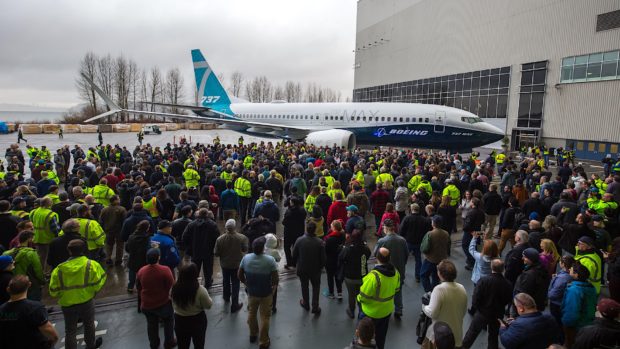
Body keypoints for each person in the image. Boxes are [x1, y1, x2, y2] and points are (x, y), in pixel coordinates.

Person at [49, 239, 106, 349]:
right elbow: (99, 282)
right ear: (84, 250)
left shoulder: (58, 270)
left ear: (69, 251)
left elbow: (53, 291)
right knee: (89, 325)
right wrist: (92, 292)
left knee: (70, 330)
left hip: (67, 303)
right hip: (86, 301)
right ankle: (90, 346)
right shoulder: (91, 265)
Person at [238, 237, 279, 349]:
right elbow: (275, 279)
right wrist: (273, 289)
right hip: (266, 293)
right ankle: (263, 341)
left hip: (252, 292)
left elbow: (240, 275)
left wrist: (247, 283)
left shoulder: (246, 258)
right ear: (262, 248)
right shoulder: (270, 260)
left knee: (252, 313)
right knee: (265, 317)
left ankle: (252, 334)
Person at [462, 260, 512, 349]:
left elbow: (476, 297)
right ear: (503, 269)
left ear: (491, 267)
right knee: (493, 336)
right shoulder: (508, 284)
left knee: (472, 333)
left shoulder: (483, 281)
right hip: (497, 314)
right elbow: (508, 299)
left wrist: (477, 308)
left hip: (482, 313)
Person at [357, 247, 401, 349]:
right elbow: (397, 289)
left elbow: (363, 296)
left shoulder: (373, 277)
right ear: (389, 258)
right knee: (381, 337)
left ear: (377, 257)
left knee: (364, 338)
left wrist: (358, 299)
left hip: (370, 313)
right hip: (386, 312)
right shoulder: (396, 273)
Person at [0, 275, 59, 348]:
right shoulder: (35, 307)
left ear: (8, 289)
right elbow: (52, 334)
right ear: (29, 285)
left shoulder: (1, 309)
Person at [422, 260, 468, 349]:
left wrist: (424, 306)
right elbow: (463, 311)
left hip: (440, 337)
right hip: (457, 335)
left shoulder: (439, 289)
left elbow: (432, 313)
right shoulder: (462, 288)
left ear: (440, 274)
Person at [171, 263, 213, 349]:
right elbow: (208, 305)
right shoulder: (200, 290)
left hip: (180, 320)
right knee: (199, 345)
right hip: (197, 321)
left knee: (182, 345)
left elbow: (173, 303)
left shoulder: (174, 288)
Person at [373, 219, 408, 318]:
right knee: (398, 291)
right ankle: (398, 309)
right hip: (399, 271)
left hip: (385, 272)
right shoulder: (402, 240)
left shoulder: (382, 241)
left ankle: (385, 310)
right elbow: (406, 254)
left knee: (384, 291)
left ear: (386, 228)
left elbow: (376, 254)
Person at [213, 218, 248, 312]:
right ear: (235, 226)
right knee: (236, 283)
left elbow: (216, 253)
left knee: (226, 281)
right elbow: (245, 249)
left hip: (225, 264)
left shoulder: (219, 239)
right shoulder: (242, 238)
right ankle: (235, 304)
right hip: (237, 264)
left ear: (226, 227)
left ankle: (226, 296)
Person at [292, 220, 326, 314]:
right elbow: (323, 259)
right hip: (315, 269)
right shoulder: (320, 242)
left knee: (304, 285)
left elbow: (294, 255)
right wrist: (320, 267)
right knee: (316, 287)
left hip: (302, 269)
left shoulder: (299, 240)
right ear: (315, 230)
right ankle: (315, 306)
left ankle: (305, 303)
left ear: (306, 229)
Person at [561, 261, 597, 348]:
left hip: (575, 325)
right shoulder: (591, 287)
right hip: (587, 322)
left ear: (576, 275)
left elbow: (572, 311)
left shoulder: (574, 290)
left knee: (570, 343)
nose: (569, 270)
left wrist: (566, 325)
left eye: (572, 270)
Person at [182, 208, 220, 287]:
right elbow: (217, 238)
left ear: (198, 214)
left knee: (195, 269)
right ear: (207, 214)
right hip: (208, 251)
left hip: (195, 251)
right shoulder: (212, 224)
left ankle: (194, 284)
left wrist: (190, 247)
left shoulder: (191, 224)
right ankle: (208, 283)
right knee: (208, 269)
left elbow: (184, 237)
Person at [2, 231, 44, 301]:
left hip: (12, 284)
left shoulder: (6, 253)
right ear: (29, 239)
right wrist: (42, 281)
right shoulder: (31, 253)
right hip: (29, 284)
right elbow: (38, 270)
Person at [339, 229, 371, 319]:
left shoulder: (348, 248)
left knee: (351, 295)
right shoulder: (365, 248)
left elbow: (341, 257)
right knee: (360, 294)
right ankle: (361, 311)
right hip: (362, 275)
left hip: (349, 276)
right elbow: (369, 254)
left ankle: (351, 311)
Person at [399, 203, 431, 283]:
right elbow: (428, 231)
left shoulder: (407, 218)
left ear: (411, 209)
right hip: (419, 243)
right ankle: (418, 276)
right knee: (418, 259)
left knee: (404, 259)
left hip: (408, 242)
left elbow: (401, 230)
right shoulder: (424, 219)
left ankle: (401, 276)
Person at [514, 247, 551, 314]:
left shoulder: (529, 275)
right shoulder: (543, 270)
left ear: (531, 259)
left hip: (527, 308)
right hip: (537, 304)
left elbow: (523, 293)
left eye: (524, 257)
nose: (522, 258)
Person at [420, 216, 451, 292]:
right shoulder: (446, 233)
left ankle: (429, 291)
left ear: (433, 224)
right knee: (436, 276)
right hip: (442, 259)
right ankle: (435, 291)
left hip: (430, 259)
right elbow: (448, 245)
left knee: (423, 275)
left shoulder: (430, 234)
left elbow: (424, 248)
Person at [100, 194, 127, 266]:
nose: (119, 200)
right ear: (115, 200)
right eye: (118, 198)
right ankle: (118, 260)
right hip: (119, 231)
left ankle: (108, 259)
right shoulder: (122, 209)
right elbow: (125, 221)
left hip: (108, 231)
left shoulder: (104, 209)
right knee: (120, 246)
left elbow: (101, 220)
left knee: (109, 245)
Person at [548, 256, 575, 328]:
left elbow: (553, 294)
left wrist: (549, 293)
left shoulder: (562, 278)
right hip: (565, 302)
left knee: (557, 323)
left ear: (562, 264)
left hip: (557, 304)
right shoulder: (571, 274)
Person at [125, 220, 151, 293]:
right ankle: (141, 287)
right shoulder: (147, 238)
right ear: (146, 228)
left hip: (132, 259)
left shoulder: (131, 237)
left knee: (132, 273)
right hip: (143, 260)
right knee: (143, 275)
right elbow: (148, 249)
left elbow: (127, 248)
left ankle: (130, 287)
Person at [282, 196, 306, 269]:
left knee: (287, 247)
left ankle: (289, 262)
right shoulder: (302, 210)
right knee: (296, 247)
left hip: (289, 232)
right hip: (299, 231)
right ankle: (296, 261)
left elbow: (284, 222)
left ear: (292, 203)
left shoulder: (289, 211)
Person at [324, 219, 345, 300]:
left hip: (330, 261)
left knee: (330, 277)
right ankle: (339, 293)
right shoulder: (342, 235)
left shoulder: (329, 239)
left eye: (332, 226)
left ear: (334, 228)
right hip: (339, 260)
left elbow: (326, 250)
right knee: (338, 277)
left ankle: (331, 293)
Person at [462, 197, 485, 270]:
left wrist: (465, 228)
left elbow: (467, 225)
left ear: (473, 203)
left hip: (469, 232)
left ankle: (472, 261)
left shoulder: (471, 212)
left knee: (465, 246)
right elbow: (483, 221)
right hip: (477, 231)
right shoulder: (481, 211)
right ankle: (471, 260)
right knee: (474, 246)